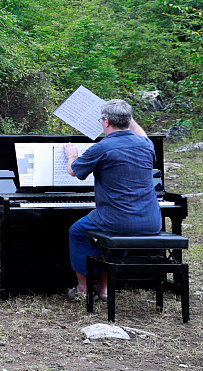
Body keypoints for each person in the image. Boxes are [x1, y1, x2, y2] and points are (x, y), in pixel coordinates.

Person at [62, 99, 161, 300]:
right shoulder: (146, 144)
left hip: (117, 221)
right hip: (151, 221)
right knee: (116, 236)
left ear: (106, 122)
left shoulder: (102, 147)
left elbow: (73, 171)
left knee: (77, 231)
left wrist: (71, 155)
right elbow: (139, 132)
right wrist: (125, 114)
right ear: (127, 119)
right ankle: (104, 288)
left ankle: (83, 288)